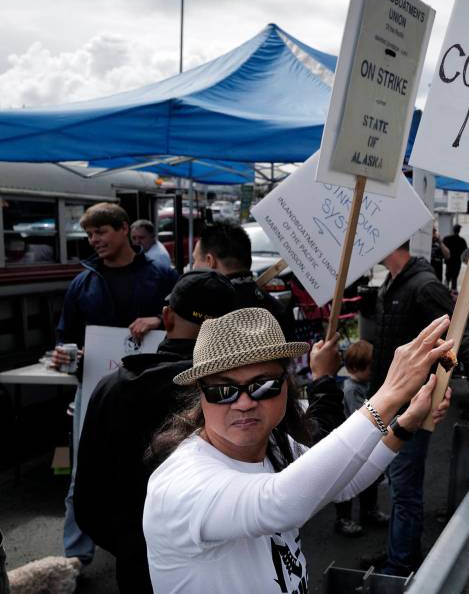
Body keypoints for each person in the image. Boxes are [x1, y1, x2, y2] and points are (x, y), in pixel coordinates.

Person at [143, 308, 453, 594]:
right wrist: (389, 395)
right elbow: (281, 503)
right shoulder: (179, 484)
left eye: (263, 385)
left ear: (287, 385)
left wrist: (405, 423)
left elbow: (342, 486)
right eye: (223, 390)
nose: (244, 402)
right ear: (201, 395)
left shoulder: (275, 444)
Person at [74, 271, 239, 593]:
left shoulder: (112, 388)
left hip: (137, 559)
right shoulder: (238, 395)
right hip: (220, 560)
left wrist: (130, 545)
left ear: (166, 316)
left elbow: (89, 494)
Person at [51, 202, 178, 568]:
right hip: (92, 389)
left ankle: (155, 548)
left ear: (124, 230)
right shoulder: (83, 282)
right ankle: (75, 557)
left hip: (149, 391)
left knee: (150, 470)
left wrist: (157, 319)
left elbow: (185, 324)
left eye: (101, 232)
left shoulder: (160, 277)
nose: (95, 240)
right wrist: (65, 354)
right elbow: (65, 337)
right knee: (81, 476)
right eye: (90, 234)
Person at [372, 241, 469, 576]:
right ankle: (397, 555)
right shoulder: (392, 283)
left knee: (404, 487)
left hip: (414, 405)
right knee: (397, 484)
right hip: (387, 401)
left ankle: (401, 565)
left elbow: (454, 339)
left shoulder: (425, 286)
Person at [192, 222, 296, 340]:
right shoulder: (277, 309)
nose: (194, 266)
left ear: (210, 260)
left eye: (195, 259)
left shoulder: (201, 310)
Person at [334, 340, 389, 537]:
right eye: (369, 368)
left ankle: (369, 510)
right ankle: (344, 519)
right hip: (351, 443)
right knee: (346, 482)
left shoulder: (365, 384)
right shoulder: (351, 389)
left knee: (369, 479)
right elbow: (361, 416)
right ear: (356, 368)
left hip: (366, 442)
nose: (373, 372)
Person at [442, 224, 468, 291]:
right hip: (457, 262)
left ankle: (445, 291)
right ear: (459, 231)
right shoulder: (462, 241)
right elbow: (465, 252)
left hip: (449, 261)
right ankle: (453, 292)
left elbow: (442, 249)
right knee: (454, 278)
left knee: (447, 277)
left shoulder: (446, 239)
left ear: (453, 230)